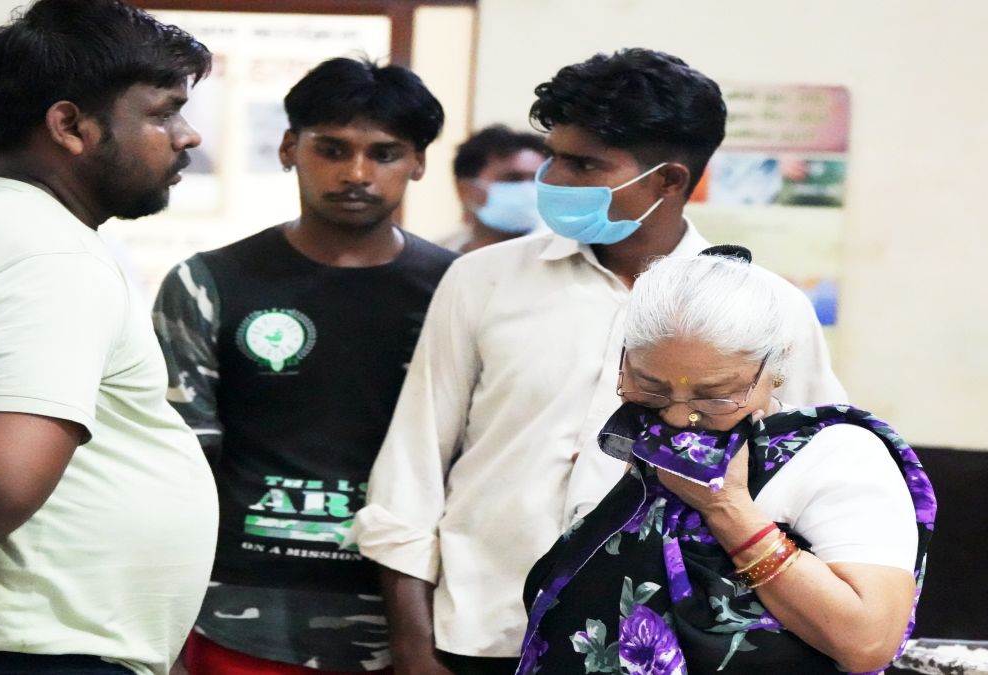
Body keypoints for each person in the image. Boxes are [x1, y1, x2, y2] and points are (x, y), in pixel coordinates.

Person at [353, 48, 847, 675]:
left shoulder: (767, 310)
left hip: (661, 648)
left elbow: (810, 488)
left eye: (583, 163)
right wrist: (414, 652)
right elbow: (411, 474)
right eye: (555, 154)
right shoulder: (481, 282)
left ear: (669, 181)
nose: (553, 178)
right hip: (480, 635)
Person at [0, 1, 217, 674]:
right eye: (162, 112)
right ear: (69, 125)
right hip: (17, 646)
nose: (187, 136)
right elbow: (3, 481)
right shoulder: (48, 256)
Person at [153, 56, 455, 675]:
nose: (357, 173)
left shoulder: (458, 291)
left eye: (386, 153)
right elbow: (179, 465)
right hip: (238, 611)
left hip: (415, 620)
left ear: (419, 162)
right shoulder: (208, 283)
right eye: (332, 149)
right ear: (290, 148)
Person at [517, 248, 935, 674]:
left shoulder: (836, 457)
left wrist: (727, 508)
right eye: (651, 384)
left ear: (777, 365)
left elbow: (868, 642)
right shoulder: (634, 439)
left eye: (714, 395)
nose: (680, 417)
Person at [436, 125, 549, 253]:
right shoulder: (434, 259)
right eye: (513, 179)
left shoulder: (565, 259)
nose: (529, 190)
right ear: (465, 190)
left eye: (537, 180)